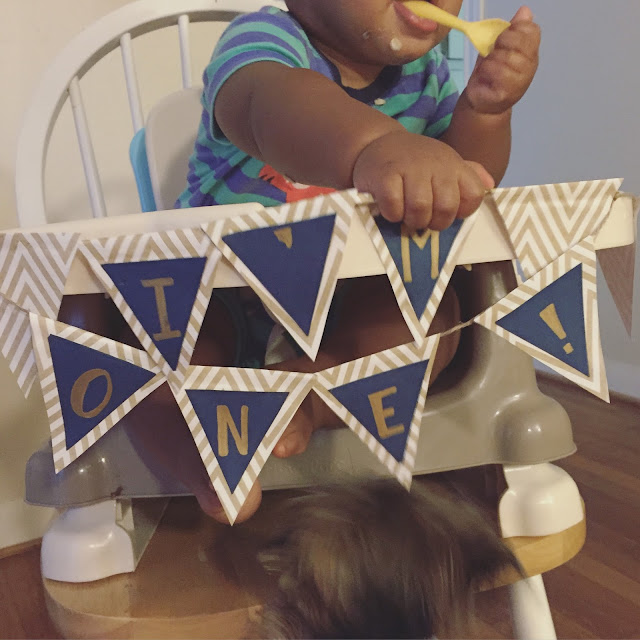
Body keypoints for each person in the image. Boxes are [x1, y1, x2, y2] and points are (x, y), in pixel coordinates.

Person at [116, 0, 540, 525]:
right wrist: (378, 146)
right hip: (217, 293)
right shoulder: (264, 42)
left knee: (427, 317)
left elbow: (456, 185)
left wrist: (484, 113)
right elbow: (271, 107)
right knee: (136, 334)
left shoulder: (425, 77)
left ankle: (302, 399)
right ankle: (195, 450)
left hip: (349, 306)